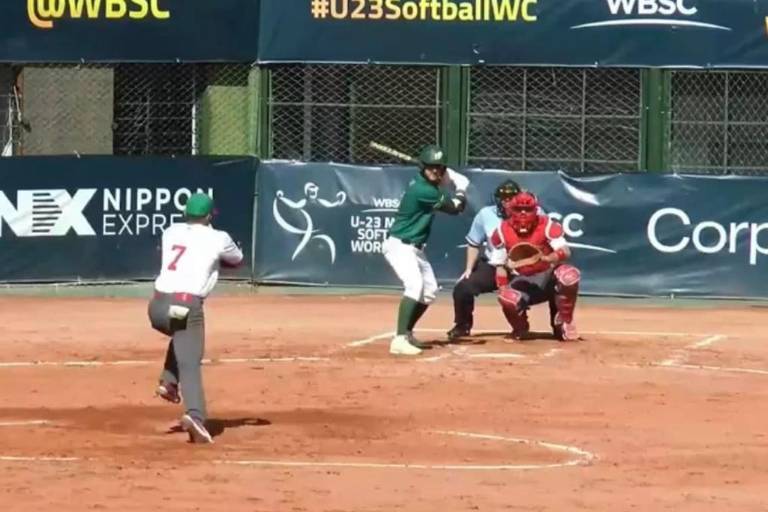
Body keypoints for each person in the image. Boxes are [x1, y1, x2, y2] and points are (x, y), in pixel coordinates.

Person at [148, 193, 244, 444]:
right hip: (186, 304)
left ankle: (169, 382)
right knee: (190, 361)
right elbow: (237, 261)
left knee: (182, 337)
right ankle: (195, 416)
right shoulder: (219, 238)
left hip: (158, 307)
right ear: (210, 215)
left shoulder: (171, 231)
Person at [383, 144, 470, 356]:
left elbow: (441, 182)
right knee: (414, 286)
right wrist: (460, 188)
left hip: (415, 248)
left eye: (439, 167)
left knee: (429, 291)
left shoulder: (428, 182)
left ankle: (407, 333)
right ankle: (399, 339)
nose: (435, 171)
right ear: (423, 168)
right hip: (400, 245)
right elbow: (455, 208)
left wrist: (448, 177)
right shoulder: (423, 190)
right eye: (431, 167)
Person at [488, 191, 580, 341]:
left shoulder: (547, 225)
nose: (523, 213)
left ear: (535, 210)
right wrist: (502, 289)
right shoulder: (502, 231)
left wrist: (547, 258)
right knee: (507, 297)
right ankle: (520, 327)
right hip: (523, 280)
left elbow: (565, 251)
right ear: (511, 210)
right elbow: (499, 265)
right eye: (518, 209)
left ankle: (565, 321)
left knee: (569, 275)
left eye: (528, 209)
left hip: (547, 276)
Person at [447, 179, 521, 341]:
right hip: (494, 265)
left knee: (556, 282)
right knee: (463, 287)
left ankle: (558, 326)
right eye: (504, 198)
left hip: (524, 267)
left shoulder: (533, 213)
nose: (507, 202)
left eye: (511, 198)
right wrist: (468, 269)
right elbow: (474, 243)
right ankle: (462, 325)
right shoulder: (486, 214)